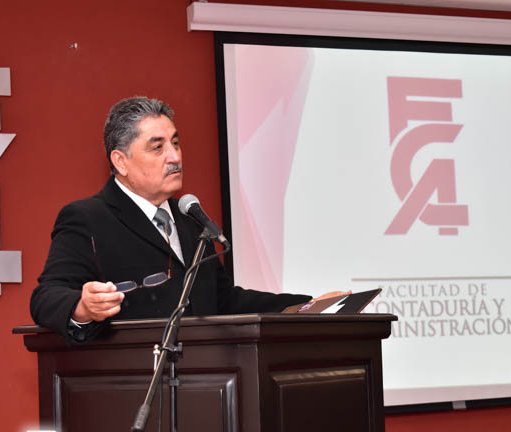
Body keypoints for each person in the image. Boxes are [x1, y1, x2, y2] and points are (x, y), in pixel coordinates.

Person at [30, 96, 329, 344]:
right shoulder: (88, 218)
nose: (174, 157)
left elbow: (224, 301)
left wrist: (306, 306)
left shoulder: (191, 220)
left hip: (206, 381)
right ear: (120, 161)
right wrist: (82, 307)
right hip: (133, 383)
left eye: (175, 143)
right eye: (157, 147)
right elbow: (46, 297)